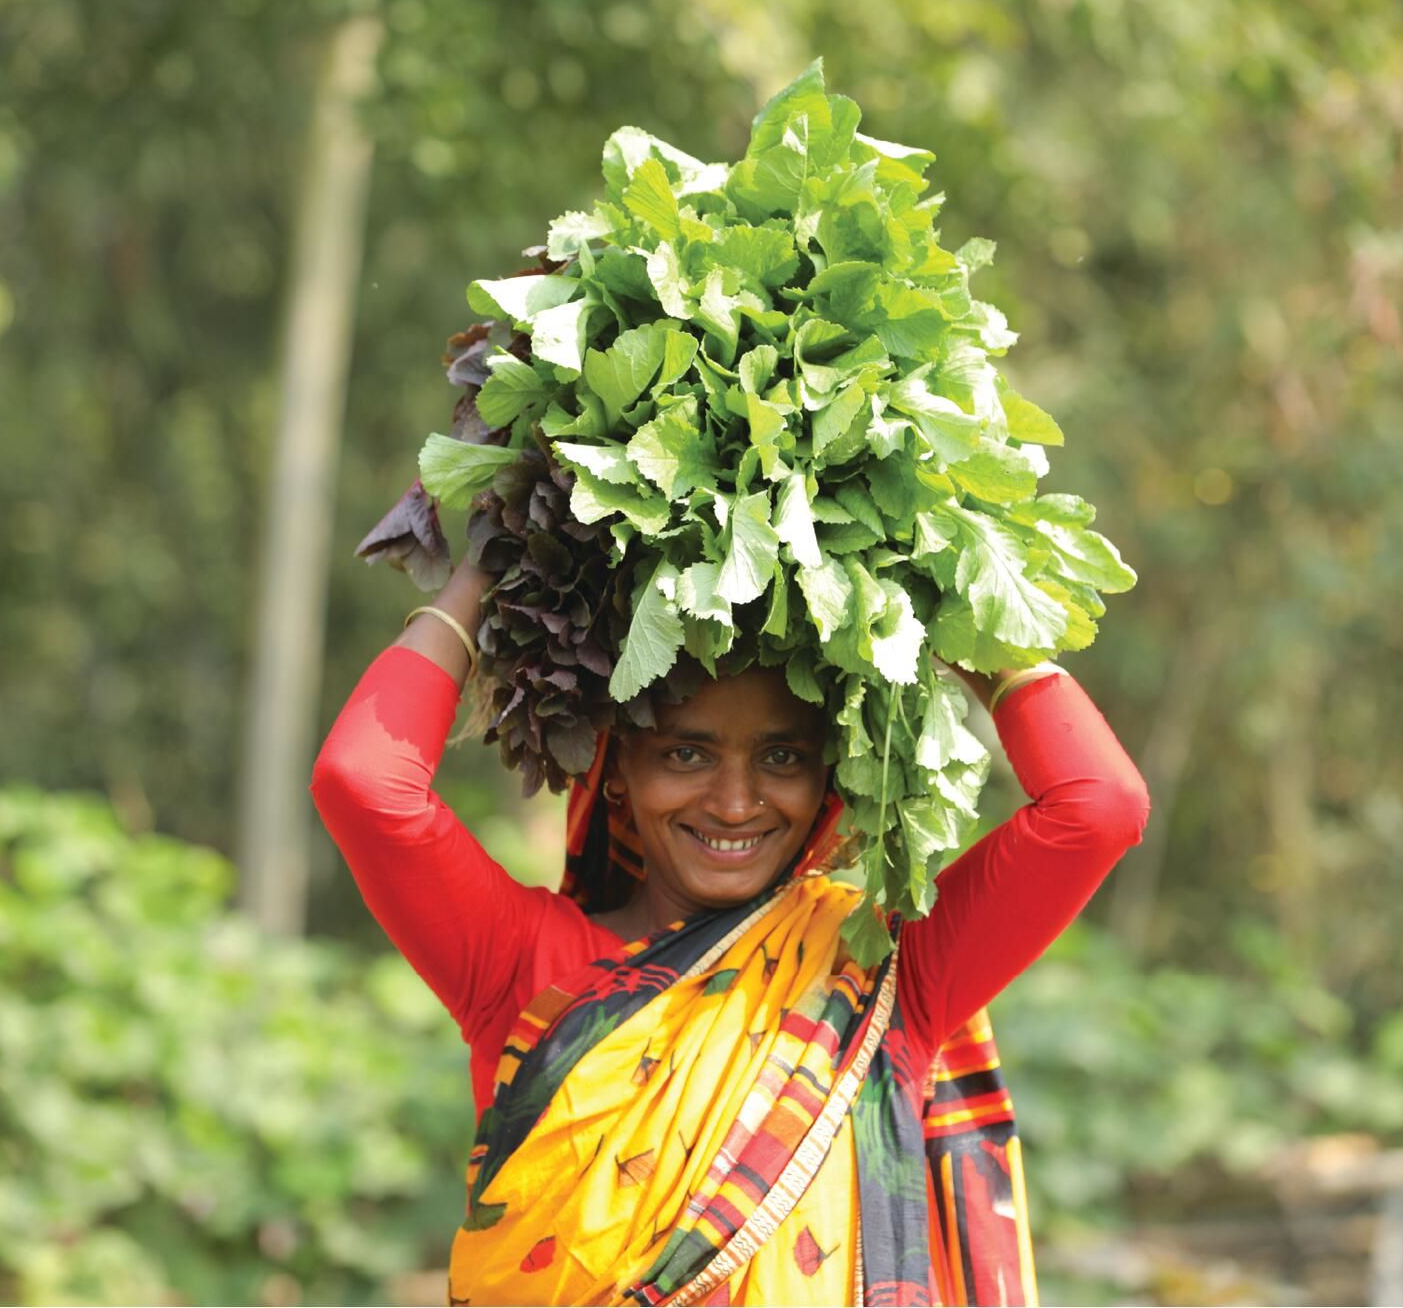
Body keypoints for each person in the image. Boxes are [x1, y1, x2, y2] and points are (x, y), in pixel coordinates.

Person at [312, 557, 1149, 1306]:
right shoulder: (522, 962)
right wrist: (482, 573)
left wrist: (946, 597)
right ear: (615, 774)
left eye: (782, 758)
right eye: (687, 755)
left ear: (831, 779)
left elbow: (1099, 807)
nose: (736, 802)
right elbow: (363, 782)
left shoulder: (886, 970)